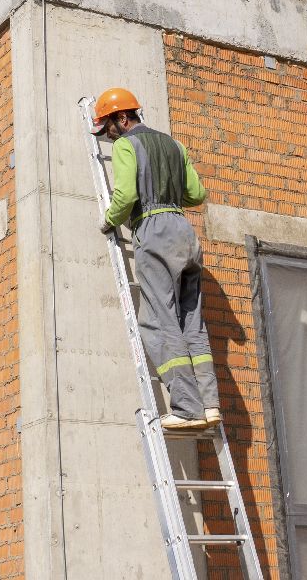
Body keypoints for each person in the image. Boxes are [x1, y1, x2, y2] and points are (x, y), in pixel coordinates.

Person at [92, 87, 219, 432]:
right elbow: (197, 194)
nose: (108, 136)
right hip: (184, 232)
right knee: (192, 322)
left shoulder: (126, 145)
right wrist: (167, 190)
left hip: (154, 230)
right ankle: (209, 405)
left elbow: (126, 196)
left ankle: (187, 408)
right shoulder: (175, 146)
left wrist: (109, 220)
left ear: (122, 118)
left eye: (108, 127)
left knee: (158, 321)